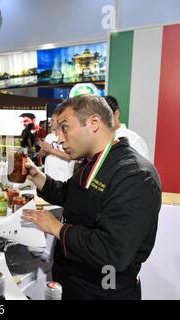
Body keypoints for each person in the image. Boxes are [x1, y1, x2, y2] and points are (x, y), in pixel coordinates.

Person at [22, 95, 161, 300]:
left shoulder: (135, 175)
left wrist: (57, 228)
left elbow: (113, 250)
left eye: (65, 127)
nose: (59, 139)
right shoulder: (92, 162)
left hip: (103, 288)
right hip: (72, 280)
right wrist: (36, 176)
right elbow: (70, 195)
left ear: (94, 123)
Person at [104, 95, 150, 160]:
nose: (102, 122)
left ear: (116, 114)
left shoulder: (133, 140)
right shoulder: (100, 140)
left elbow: (143, 168)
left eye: (105, 117)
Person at [38, 110, 75, 182]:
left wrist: (50, 150)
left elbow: (70, 157)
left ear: (60, 121)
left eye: (52, 120)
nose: (50, 123)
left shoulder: (69, 136)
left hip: (63, 180)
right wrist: (43, 149)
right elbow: (42, 154)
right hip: (49, 177)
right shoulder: (49, 136)